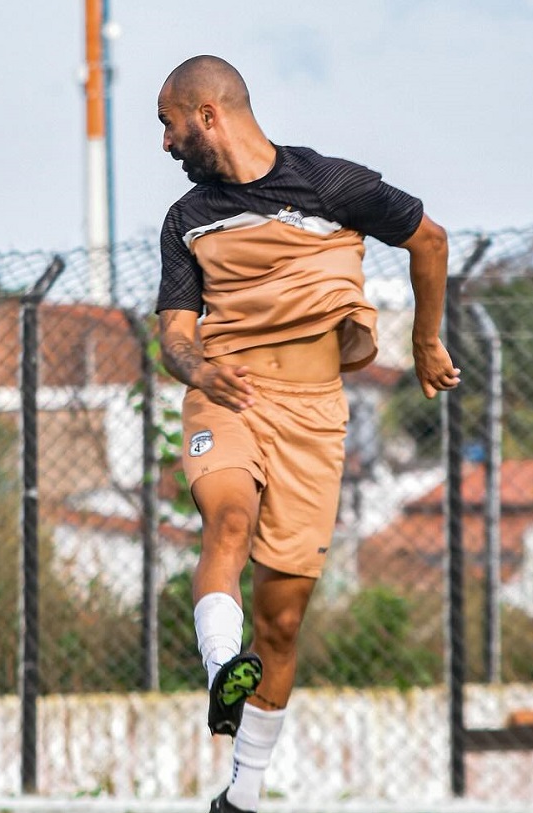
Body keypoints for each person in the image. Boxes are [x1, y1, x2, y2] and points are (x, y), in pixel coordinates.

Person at [154, 55, 460, 813]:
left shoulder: (331, 186)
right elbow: (174, 336)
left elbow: (430, 239)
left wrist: (426, 340)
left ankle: (244, 795)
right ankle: (224, 667)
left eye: (168, 123)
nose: (165, 143)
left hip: (314, 412)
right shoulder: (186, 219)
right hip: (227, 393)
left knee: (282, 621)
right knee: (228, 518)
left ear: (209, 113)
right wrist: (198, 373)